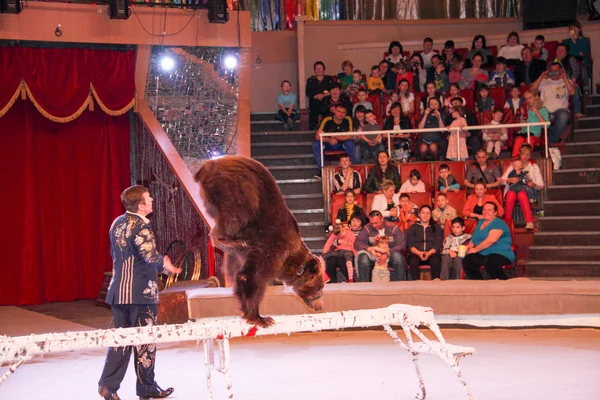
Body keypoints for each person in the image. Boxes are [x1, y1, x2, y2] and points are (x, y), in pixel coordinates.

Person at [98, 185, 182, 400]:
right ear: (141, 205)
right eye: (148, 198)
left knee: (121, 339)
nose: (152, 199)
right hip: (140, 294)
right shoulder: (141, 226)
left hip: (119, 292)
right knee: (145, 341)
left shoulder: (117, 222)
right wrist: (167, 266)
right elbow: (150, 256)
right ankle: (147, 388)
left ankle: (108, 386)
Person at [463, 202, 515, 280]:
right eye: (484, 209)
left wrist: (475, 249)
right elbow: (475, 237)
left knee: (490, 261)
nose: (486, 211)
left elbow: (491, 240)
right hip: (483, 253)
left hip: (500, 253)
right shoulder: (481, 222)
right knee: (468, 260)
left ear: (495, 213)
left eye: (489, 210)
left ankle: (502, 284)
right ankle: (478, 285)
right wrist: (471, 244)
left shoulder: (498, 223)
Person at [354, 210, 406, 282]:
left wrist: (387, 253)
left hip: (390, 254)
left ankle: (400, 286)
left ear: (382, 219)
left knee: (398, 257)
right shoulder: (367, 227)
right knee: (363, 258)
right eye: (372, 223)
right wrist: (369, 248)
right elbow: (357, 243)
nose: (374, 225)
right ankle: (364, 287)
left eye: (376, 223)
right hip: (374, 255)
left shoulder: (393, 227)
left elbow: (402, 244)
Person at [530, 63, 576, 143]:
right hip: (544, 109)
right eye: (551, 71)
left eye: (556, 71)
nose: (554, 73)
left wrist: (564, 78)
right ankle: (555, 138)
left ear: (561, 70)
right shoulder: (544, 81)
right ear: (548, 71)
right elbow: (532, 91)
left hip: (560, 109)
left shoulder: (566, 81)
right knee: (535, 115)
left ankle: (552, 139)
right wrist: (541, 77)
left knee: (564, 116)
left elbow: (572, 92)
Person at [502, 144, 544, 230]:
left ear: (530, 155)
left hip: (526, 191)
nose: (525, 157)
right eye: (523, 154)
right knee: (510, 194)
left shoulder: (534, 166)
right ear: (519, 154)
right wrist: (509, 180)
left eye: (528, 155)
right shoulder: (512, 165)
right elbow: (502, 180)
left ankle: (529, 222)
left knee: (522, 194)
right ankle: (507, 222)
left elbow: (541, 185)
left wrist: (534, 184)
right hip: (513, 189)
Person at [313, 104, 355, 177]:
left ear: (346, 113)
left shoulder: (348, 119)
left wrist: (337, 137)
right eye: (338, 111)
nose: (340, 114)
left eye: (343, 112)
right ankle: (321, 170)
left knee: (350, 143)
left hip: (342, 144)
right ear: (334, 111)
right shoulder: (327, 119)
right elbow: (317, 136)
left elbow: (351, 136)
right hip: (328, 143)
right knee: (316, 144)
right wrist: (328, 140)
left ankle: (351, 169)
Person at [406, 205, 443, 280]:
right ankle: (416, 284)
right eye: (423, 213)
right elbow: (410, 245)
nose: (425, 215)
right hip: (416, 253)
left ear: (430, 215)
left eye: (428, 213)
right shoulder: (413, 227)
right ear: (419, 214)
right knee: (413, 261)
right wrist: (419, 253)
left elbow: (438, 244)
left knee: (435, 260)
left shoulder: (436, 227)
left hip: (431, 253)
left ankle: (436, 283)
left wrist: (428, 253)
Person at [511, 90, 549, 157]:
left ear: (535, 98)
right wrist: (524, 115)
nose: (528, 100)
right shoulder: (525, 110)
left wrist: (537, 112)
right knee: (519, 139)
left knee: (530, 138)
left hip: (534, 135)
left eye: (530, 98)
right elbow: (523, 127)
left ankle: (527, 160)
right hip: (523, 133)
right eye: (526, 99)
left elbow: (545, 126)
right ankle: (515, 160)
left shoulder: (543, 110)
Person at [306, 61, 334, 130]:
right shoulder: (310, 80)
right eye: (317, 68)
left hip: (326, 100)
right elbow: (308, 93)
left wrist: (323, 95)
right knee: (315, 103)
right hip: (315, 100)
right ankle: (313, 125)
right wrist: (317, 96)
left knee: (326, 105)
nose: (319, 70)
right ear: (314, 70)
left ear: (324, 69)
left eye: (320, 68)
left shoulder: (329, 79)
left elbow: (333, 90)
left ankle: (327, 125)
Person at [417, 97, 447, 161]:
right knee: (423, 148)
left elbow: (442, 130)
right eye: (431, 104)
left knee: (433, 147)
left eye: (436, 104)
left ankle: (435, 165)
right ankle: (423, 166)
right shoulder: (424, 114)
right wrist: (425, 115)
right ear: (428, 106)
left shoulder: (442, 115)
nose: (433, 106)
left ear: (439, 105)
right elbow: (419, 128)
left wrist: (439, 118)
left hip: (437, 140)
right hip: (424, 139)